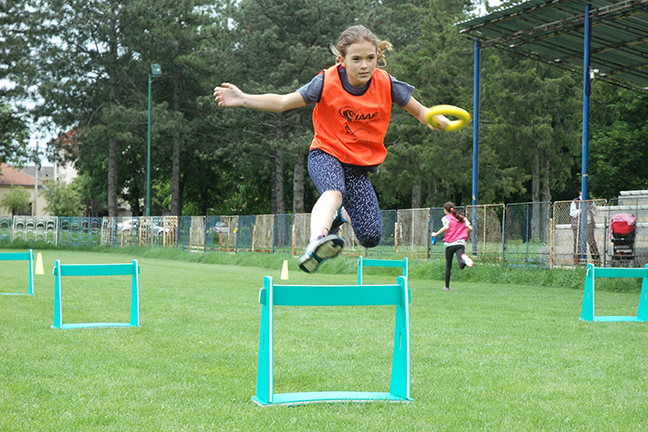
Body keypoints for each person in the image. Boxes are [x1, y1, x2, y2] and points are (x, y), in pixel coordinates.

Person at [214, 25, 449, 273]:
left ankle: (339, 218)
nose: (364, 66)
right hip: (326, 153)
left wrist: (434, 120)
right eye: (356, 59)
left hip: (358, 166)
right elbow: (283, 102)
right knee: (334, 192)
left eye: (371, 58)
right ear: (342, 60)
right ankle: (316, 241)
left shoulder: (386, 83)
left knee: (371, 236)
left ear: (378, 57)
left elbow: (422, 112)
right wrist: (243, 98)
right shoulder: (326, 81)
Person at [431, 202, 474, 291]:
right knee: (461, 264)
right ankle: (464, 259)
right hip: (460, 243)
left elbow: (446, 227)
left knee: (448, 265)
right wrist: (463, 234)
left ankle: (447, 287)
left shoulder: (446, 218)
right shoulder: (462, 218)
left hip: (450, 244)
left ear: (445, 210)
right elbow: (470, 228)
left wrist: (436, 234)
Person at [570, 190, 600, 266]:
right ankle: (577, 261)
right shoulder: (575, 201)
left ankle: (597, 261)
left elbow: (595, 213)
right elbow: (572, 213)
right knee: (577, 243)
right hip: (578, 225)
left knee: (592, 242)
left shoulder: (590, 201)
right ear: (580, 192)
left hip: (589, 224)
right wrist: (581, 210)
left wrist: (592, 210)